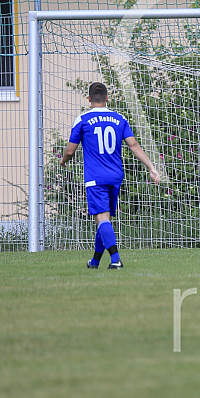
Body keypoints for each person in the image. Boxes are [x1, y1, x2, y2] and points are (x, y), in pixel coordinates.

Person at [60, 82, 160, 268]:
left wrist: (63, 161)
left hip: (95, 177)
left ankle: (115, 260)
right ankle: (95, 261)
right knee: (104, 219)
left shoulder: (82, 119)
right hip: (115, 175)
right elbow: (134, 145)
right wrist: (151, 167)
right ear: (107, 99)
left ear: (89, 99)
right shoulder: (119, 118)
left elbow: (71, 151)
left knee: (102, 218)